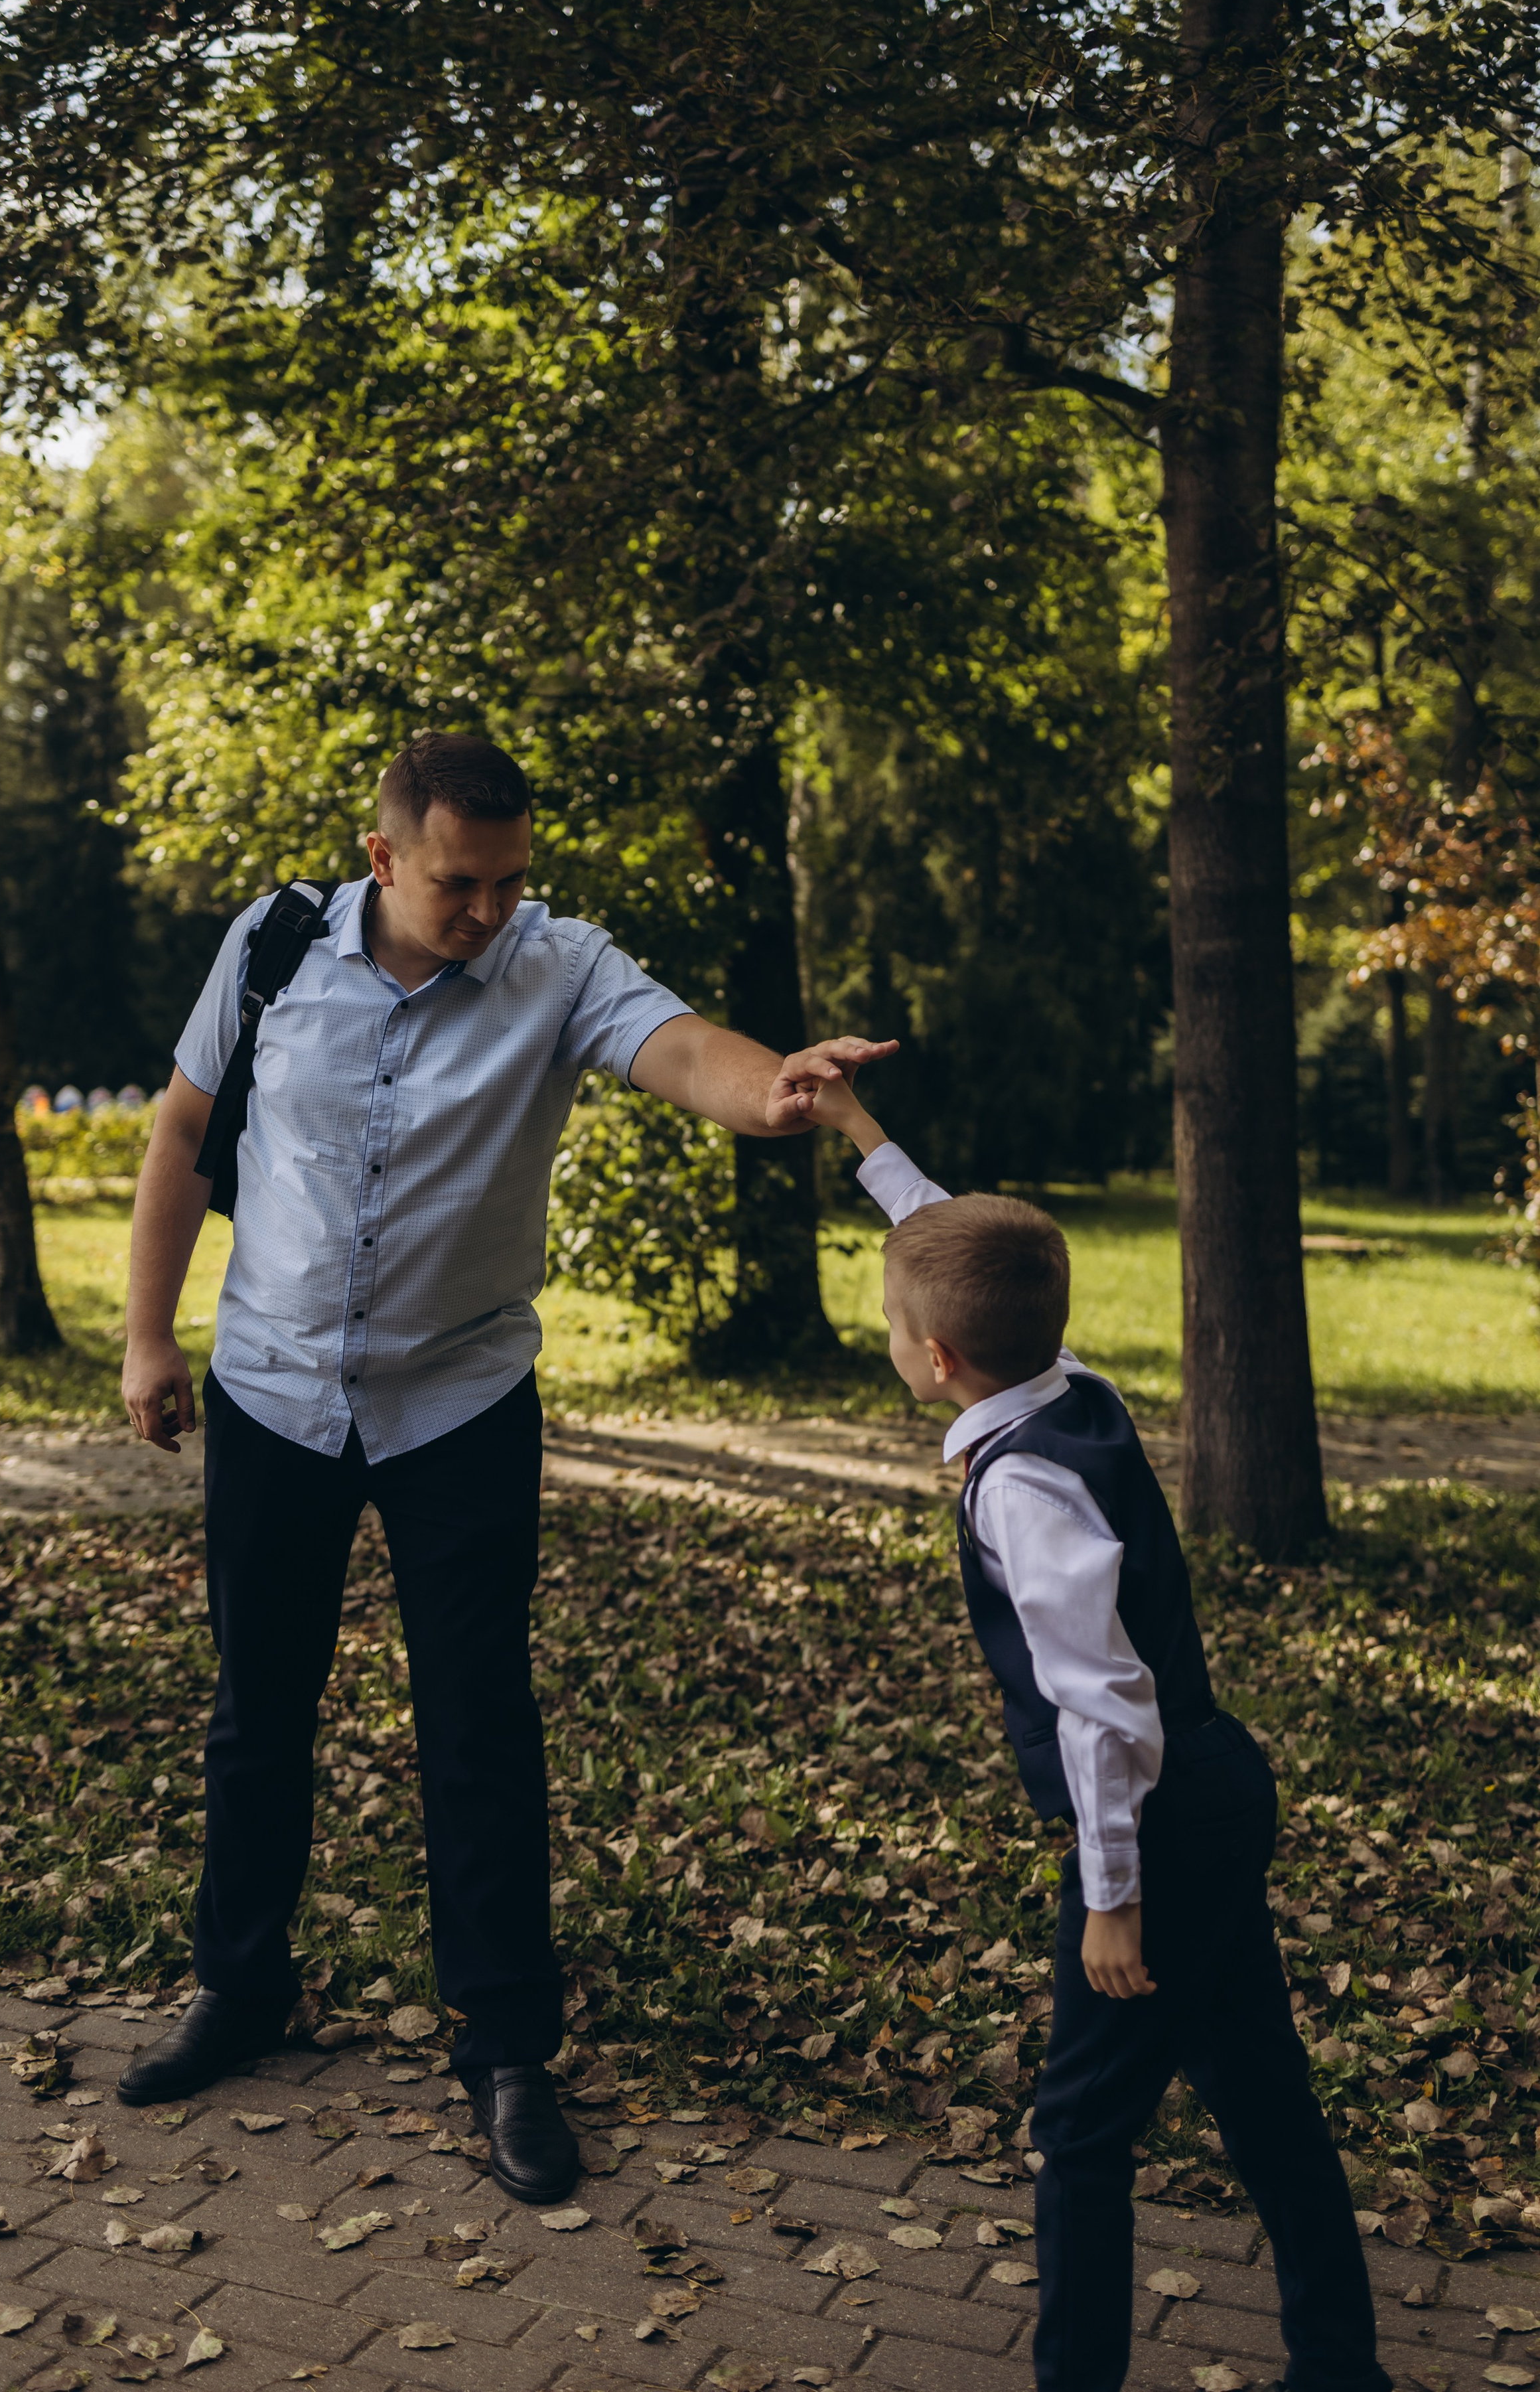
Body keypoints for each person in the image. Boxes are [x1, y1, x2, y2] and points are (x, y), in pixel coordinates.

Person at [118, 729, 894, 2204]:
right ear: (384, 858)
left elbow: (684, 1052)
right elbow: (182, 1130)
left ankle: (506, 2050)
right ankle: (241, 1988)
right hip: (274, 1390)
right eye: (458, 885)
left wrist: (773, 1088)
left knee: (477, 1726)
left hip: (456, 1404)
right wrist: (148, 1337)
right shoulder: (272, 942)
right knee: (255, 1709)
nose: (485, 911)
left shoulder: (557, 963)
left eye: (508, 881)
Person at [805, 1067, 1389, 2392]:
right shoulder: (1057, 1376)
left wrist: (1106, 1896)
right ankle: (1340, 2367)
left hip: (1157, 1824)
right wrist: (860, 1137)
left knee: (1076, 2136)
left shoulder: (1022, 1492)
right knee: (1258, 2095)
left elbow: (1101, 1705)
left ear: (937, 1359)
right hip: (1220, 1784)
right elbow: (950, 1250)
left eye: (898, 1330)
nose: (897, 1340)